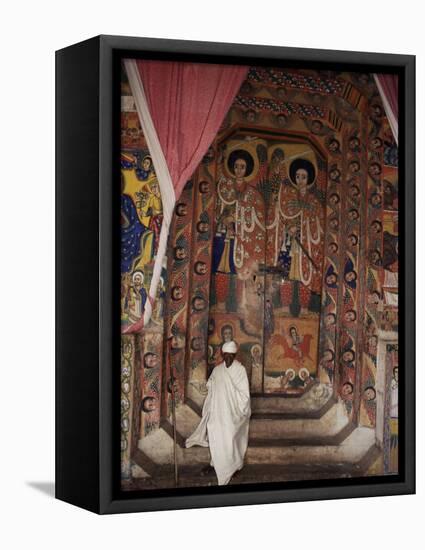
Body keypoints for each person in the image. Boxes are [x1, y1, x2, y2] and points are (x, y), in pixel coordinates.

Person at [186, 340, 251, 485]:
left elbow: (244, 395)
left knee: (229, 435)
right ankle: (215, 463)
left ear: (235, 355)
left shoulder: (240, 370)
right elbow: (211, 385)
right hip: (218, 411)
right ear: (222, 354)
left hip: (233, 412)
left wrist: (229, 391)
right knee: (214, 430)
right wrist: (205, 386)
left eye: (231, 355)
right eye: (226, 355)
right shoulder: (217, 370)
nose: (228, 358)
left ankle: (233, 466)